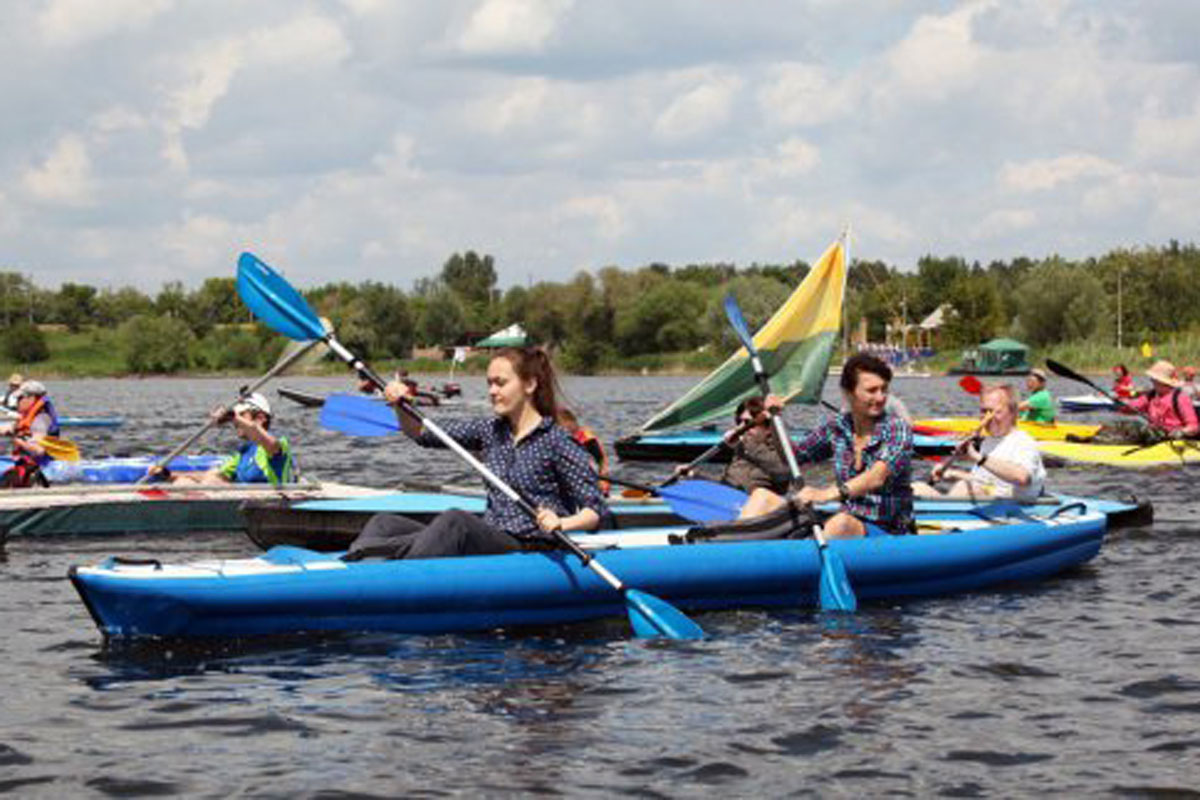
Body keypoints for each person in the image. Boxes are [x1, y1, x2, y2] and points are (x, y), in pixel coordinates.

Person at [344, 347, 607, 561]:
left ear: (529, 384)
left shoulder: (557, 440)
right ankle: (356, 567)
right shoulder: (489, 430)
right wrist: (401, 405)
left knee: (455, 521)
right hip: (493, 536)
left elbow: (596, 511)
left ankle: (386, 569)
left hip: (531, 546)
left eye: (500, 383)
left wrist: (562, 522)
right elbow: (422, 434)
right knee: (384, 524)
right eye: (489, 383)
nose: (492, 391)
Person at [744, 353, 913, 539]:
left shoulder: (898, 429)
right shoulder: (838, 426)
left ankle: (800, 562)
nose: (880, 397)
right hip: (846, 518)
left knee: (841, 523)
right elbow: (794, 456)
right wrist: (774, 422)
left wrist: (825, 494)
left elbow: (876, 477)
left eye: (884, 389)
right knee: (762, 497)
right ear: (849, 392)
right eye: (872, 390)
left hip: (888, 530)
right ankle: (731, 559)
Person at [914, 383, 1046, 501]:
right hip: (987, 505)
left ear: (1012, 412)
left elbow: (1022, 478)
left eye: (993, 411)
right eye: (983, 411)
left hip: (1013, 509)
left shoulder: (1023, 442)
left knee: (964, 487)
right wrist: (951, 473)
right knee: (916, 488)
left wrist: (977, 457)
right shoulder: (988, 442)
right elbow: (984, 481)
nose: (987, 417)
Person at [150, 392, 296, 485]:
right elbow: (210, 476)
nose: (235, 424)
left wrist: (233, 417)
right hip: (243, 502)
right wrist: (168, 475)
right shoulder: (243, 453)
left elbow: (260, 435)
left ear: (260, 419)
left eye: (242, 415)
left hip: (269, 504)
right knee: (185, 482)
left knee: (211, 482)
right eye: (236, 418)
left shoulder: (277, 446)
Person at [0, 380, 61, 486]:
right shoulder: (27, 417)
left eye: (20, 398)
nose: (17, 402)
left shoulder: (40, 420)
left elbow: (39, 451)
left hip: (39, 469)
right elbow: (8, 429)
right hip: (27, 463)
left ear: (32, 398)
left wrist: (20, 442)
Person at [1125, 360, 1200, 439]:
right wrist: (1124, 406)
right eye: (1152, 379)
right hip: (1155, 438)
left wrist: (1181, 432)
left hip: (1176, 441)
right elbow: (1130, 407)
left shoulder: (1180, 398)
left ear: (1161, 381)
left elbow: (1193, 427)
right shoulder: (1150, 396)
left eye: (1153, 379)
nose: (1151, 381)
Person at [557, 407, 610, 495]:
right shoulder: (559, 439)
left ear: (571, 423)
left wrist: (602, 485)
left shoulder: (588, 440)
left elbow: (602, 462)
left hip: (591, 486)